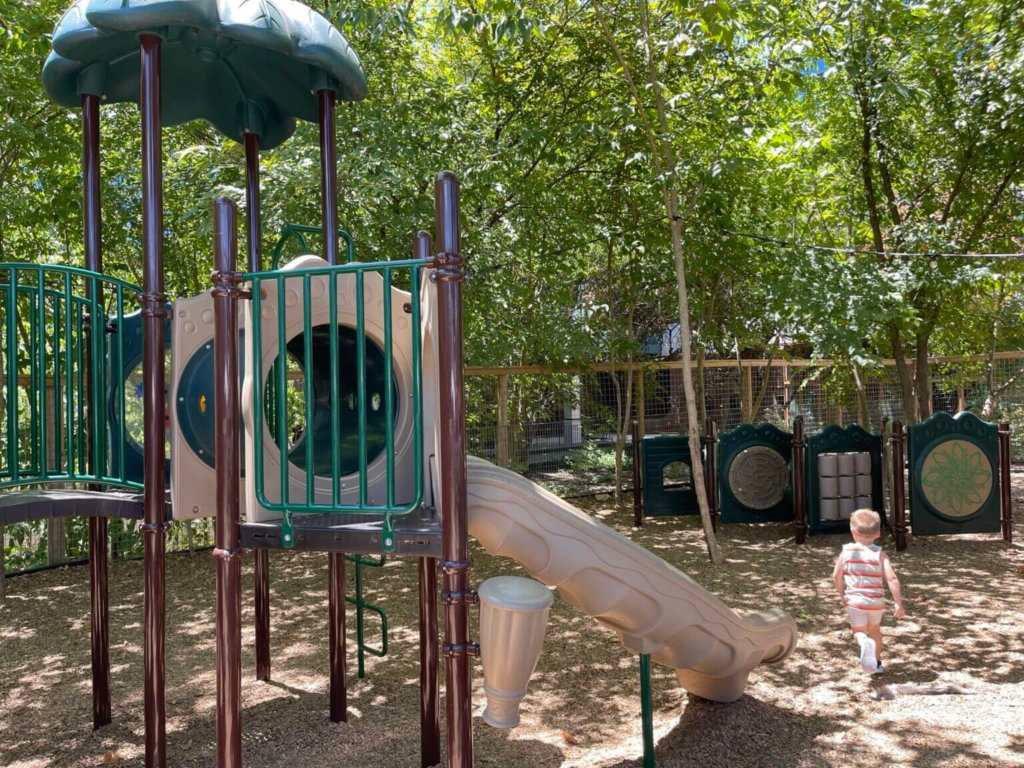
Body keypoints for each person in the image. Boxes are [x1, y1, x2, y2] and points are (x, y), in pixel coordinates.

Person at [832, 509, 905, 675]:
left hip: (855, 601)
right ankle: (877, 663)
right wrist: (898, 603)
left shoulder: (846, 552)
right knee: (874, 630)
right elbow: (892, 579)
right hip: (876, 602)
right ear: (878, 533)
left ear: (853, 532)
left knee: (859, 631)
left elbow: (837, 575)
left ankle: (863, 642)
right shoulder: (880, 554)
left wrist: (842, 594)